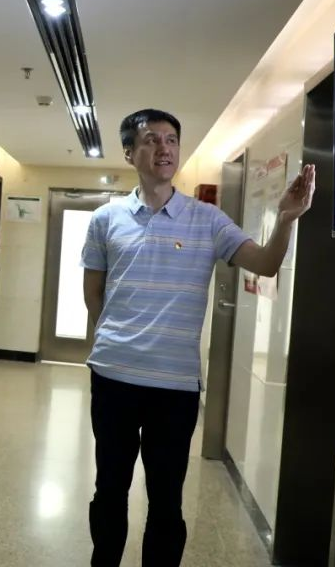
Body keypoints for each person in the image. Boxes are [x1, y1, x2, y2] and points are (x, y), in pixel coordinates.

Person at [81, 108, 315, 567]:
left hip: (176, 385)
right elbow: (94, 296)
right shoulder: (105, 219)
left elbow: (266, 263)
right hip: (114, 378)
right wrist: (114, 341)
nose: (164, 148)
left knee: (167, 498)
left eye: (171, 139)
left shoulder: (207, 219)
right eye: (151, 139)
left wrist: (286, 219)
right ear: (129, 152)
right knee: (109, 488)